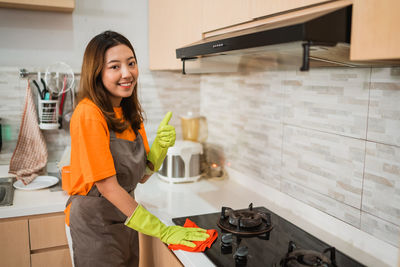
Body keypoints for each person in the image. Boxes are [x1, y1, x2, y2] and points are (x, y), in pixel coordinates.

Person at [62, 30, 209, 267]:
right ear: (97, 72)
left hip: (127, 217)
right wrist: (162, 231)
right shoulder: (88, 113)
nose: (127, 73)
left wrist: (159, 150)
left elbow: (139, 178)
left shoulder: (130, 113)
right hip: (93, 224)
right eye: (115, 66)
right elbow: (109, 187)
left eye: (131, 63)